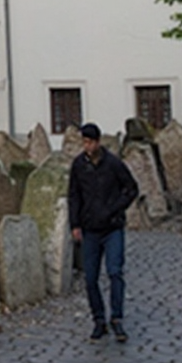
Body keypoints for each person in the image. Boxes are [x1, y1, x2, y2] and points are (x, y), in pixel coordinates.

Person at [68, 122, 139, 343]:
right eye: (84, 142)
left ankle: (116, 318)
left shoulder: (113, 164)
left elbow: (131, 189)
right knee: (90, 278)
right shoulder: (79, 165)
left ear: (98, 142)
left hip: (112, 227)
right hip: (89, 229)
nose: (87, 146)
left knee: (115, 272)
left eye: (90, 142)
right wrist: (75, 224)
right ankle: (99, 319)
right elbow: (74, 195)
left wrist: (115, 208)